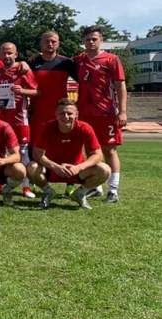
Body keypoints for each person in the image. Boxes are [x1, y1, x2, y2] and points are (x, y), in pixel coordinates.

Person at [74, 26, 127, 202]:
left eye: (94, 39)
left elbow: (120, 86)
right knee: (91, 150)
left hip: (107, 113)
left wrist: (123, 111)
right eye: (88, 39)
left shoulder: (111, 59)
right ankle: (95, 186)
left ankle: (113, 189)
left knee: (109, 149)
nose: (91, 42)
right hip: (85, 113)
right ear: (83, 42)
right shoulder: (79, 60)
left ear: (101, 40)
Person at [28, 98, 111, 210]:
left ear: (76, 114)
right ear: (56, 114)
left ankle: (80, 194)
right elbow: (37, 154)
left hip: (77, 171)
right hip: (52, 170)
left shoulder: (85, 128)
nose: (66, 117)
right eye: (62, 113)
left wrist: (79, 168)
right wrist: (55, 166)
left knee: (105, 169)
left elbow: (98, 155)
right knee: (32, 167)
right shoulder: (48, 127)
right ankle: (48, 192)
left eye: (69, 113)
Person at [0, 42, 38, 198]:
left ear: (16, 54)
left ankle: (26, 187)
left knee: (23, 153)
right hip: (1, 119)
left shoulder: (23, 70)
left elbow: (36, 91)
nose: (7, 55)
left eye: (10, 53)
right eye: (4, 52)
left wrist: (22, 90)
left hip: (19, 119)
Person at [28, 30, 78, 144]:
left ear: (58, 43)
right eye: (47, 41)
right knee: (38, 145)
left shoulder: (66, 63)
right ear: (41, 43)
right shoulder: (32, 62)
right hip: (38, 112)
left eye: (53, 41)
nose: (50, 44)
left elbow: (84, 82)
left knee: (62, 144)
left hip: (61, 111)